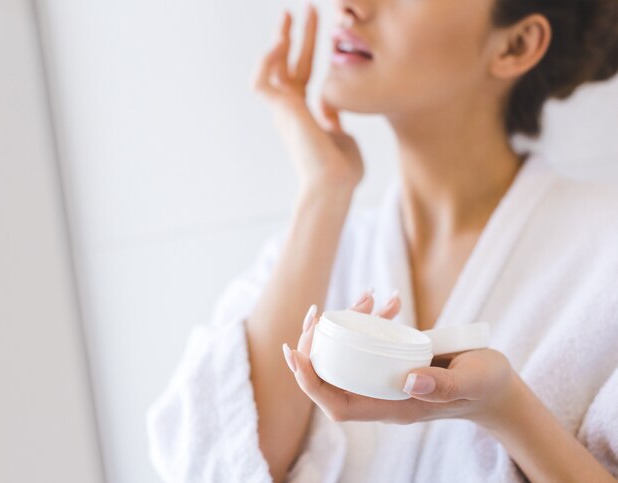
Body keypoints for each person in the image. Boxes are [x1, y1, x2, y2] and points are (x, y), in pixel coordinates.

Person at [146, 0, 618, 481]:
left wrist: (507, 411)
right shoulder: (320, 251)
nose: (349, 6)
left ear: (515, 45)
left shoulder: (606, 255)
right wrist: (324, 191)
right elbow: (212, 465)